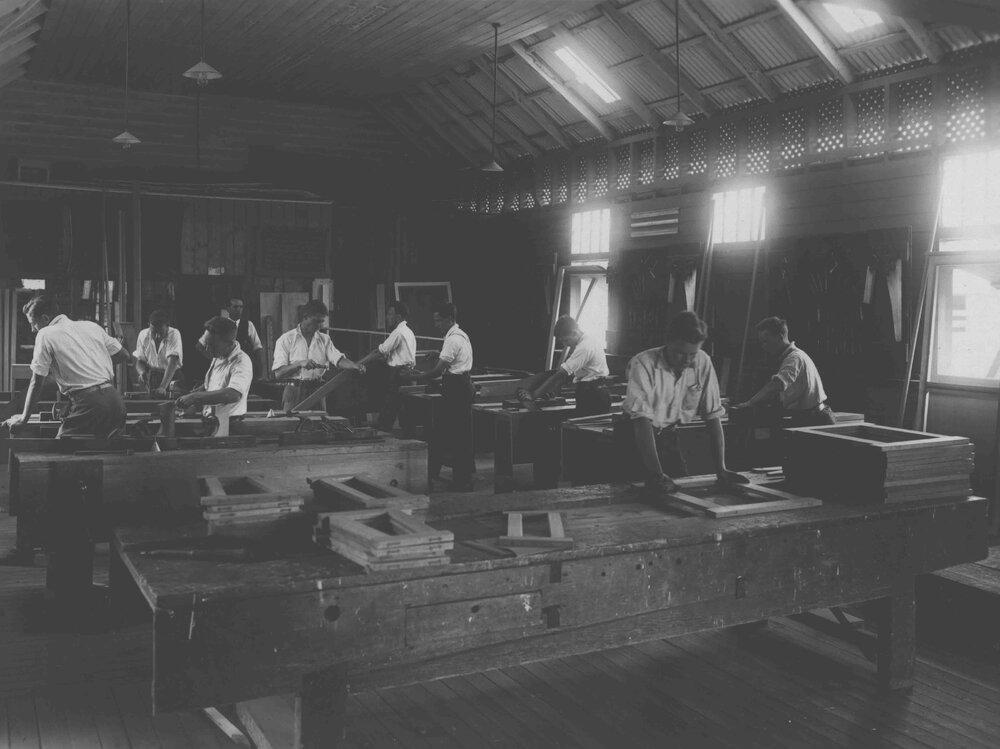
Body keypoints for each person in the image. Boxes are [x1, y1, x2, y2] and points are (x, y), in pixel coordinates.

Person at [622, 311, 745, 492]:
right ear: (668, 342)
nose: (687, 360)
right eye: (680, 353)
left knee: (679, 491)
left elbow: (713, 417)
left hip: (668, 437)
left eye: (692, 354)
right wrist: (656, 475)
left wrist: (721, 470)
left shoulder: (703, 362)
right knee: (634, 497)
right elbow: (641, 421)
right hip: (636, 438)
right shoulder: (643, 364)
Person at [1, 294, 133, 438]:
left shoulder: (45, 334)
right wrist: (92, 364)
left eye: (33, 323)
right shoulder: (91, 326)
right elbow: (124, 354)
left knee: (62, 448)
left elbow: (36, 383)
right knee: (107, 452)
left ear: (45, 318)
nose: (33, 329)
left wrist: (23, 419)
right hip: (115, 400)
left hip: (90, 404)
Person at [403, 302, 475, 491]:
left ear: (449, 319)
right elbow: (453, 357)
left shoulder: (452, 340)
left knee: (450, 434)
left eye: (439, 321)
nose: (436, 325)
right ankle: (461, 478)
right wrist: (438, 353)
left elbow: (437, 372)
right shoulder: (460, 335)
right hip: (463, 385)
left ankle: (459, 481)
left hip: (456, 389)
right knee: (459, 435)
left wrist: (415, 377)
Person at [735, 317, 835, 427]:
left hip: (815, 420)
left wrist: (750, 403)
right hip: (808, 417)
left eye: (765, 341)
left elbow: (776, 385)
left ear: (779, 337)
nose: (763, 346)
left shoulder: (794, 358)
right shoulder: (790, 357)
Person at [271, 300, 364, 412]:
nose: (319, 326)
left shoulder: (324, 340)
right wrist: (299, 364)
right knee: (291, 426)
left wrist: (354, 365)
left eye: (322, 322)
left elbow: (338, 359)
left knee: (320, 426)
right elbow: (278, 373)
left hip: (318, 391)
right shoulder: (286, 340)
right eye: (316, 322)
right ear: (305, 317)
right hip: (294, 391)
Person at [518, 316, 610, 417]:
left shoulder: (584, 347)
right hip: (595, 391)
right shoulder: (589, 340)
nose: (566, 344)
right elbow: (570, 374)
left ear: (574, 332)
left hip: (593, 396)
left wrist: (534, 395)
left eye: (566, 340)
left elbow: (561, 374)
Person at [175, 317, 253, 422]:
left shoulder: (241, 361)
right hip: (212, 420)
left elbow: (233, 394)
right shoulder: (218, 356)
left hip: (229, 423)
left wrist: (195, 397)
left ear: (229, 344)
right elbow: (216, 384)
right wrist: (197, 392)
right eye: (206, 344)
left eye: (212, 345)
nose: (207, 349)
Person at [358, 300, 417, 432]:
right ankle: (404, 436)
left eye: (390, 314)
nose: (387, 317)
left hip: (400, 374)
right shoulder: (408, 331)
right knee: (404, 410)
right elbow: (396, 353)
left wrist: (359, 363)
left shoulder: (398, 332)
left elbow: (379, 351)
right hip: (408, 374)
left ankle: (382, 434)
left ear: (398, 317)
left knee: (390, 409)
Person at [196, 297, 266, 379]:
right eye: (235, 307)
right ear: (228, 308)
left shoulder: (248, 325)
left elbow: (257, 348)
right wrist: (214, 358)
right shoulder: (218, 324)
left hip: (240, 366)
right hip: (223, 368)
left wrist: (260, 372)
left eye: (241, 307)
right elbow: (200, 345)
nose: (239, 310)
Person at [133, 309, 183, 396]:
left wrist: (163, 387)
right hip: (153, 376)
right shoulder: (143, 335)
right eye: (154, 332)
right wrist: (142, 372)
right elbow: (140, 360)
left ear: (168, 327)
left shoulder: (174, 334)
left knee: (174, 406)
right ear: (149, 326)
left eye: (161, 332)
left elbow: (172, 363)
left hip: (172, 376)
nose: (157, 336)